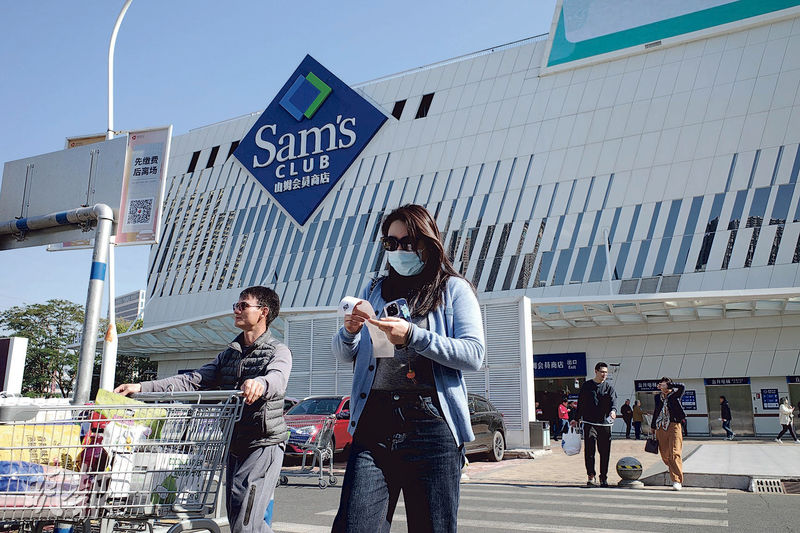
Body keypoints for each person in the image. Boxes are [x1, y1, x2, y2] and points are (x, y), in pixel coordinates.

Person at [330, 204, 485, 533]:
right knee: (354, 524)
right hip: (375, 418)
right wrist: (349, 332)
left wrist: (414, 336)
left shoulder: (453, 289)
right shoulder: (375, 289)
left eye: (408, 241)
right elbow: (345, 355)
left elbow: (474, 354)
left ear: (428, 242)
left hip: (431, 421)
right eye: (391, 243)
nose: (399, 250)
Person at [114, 286, 291, 533]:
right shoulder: (229, 354)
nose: (236, 310)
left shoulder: (278, 351)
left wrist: (260, 383)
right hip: (235, 442)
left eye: (243, 305)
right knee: (240, 516)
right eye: (236, 305)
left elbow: (278, 378)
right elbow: (193, 380)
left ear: (263, 312)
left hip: (263, 443)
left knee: (245, 520)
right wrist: (142, 387)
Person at [571, 362, 617, 487]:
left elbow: (613, 402)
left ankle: (603, 477)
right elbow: (581, 403)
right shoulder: (587, 386)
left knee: (605, 452)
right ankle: (591, 476)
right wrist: (576, 419)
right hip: (589, 423)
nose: (604, 374)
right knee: (590, 450)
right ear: (596, 371)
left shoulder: (609, 388)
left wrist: (613, 411)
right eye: (602, 372)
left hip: (605, 424)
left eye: (606, 372)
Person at [651, 377, 686, 491]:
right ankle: (673, 467)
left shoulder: (675, 395)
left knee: (674, 452)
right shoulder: (657, 397)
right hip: (660, 426)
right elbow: (656, 410)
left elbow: (682, 386)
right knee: (665, 454)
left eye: (664, 385)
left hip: (674, 425)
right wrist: (653, 426)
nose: (662, 387)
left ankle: (677, 480)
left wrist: (669, 385)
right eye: (661, 384)